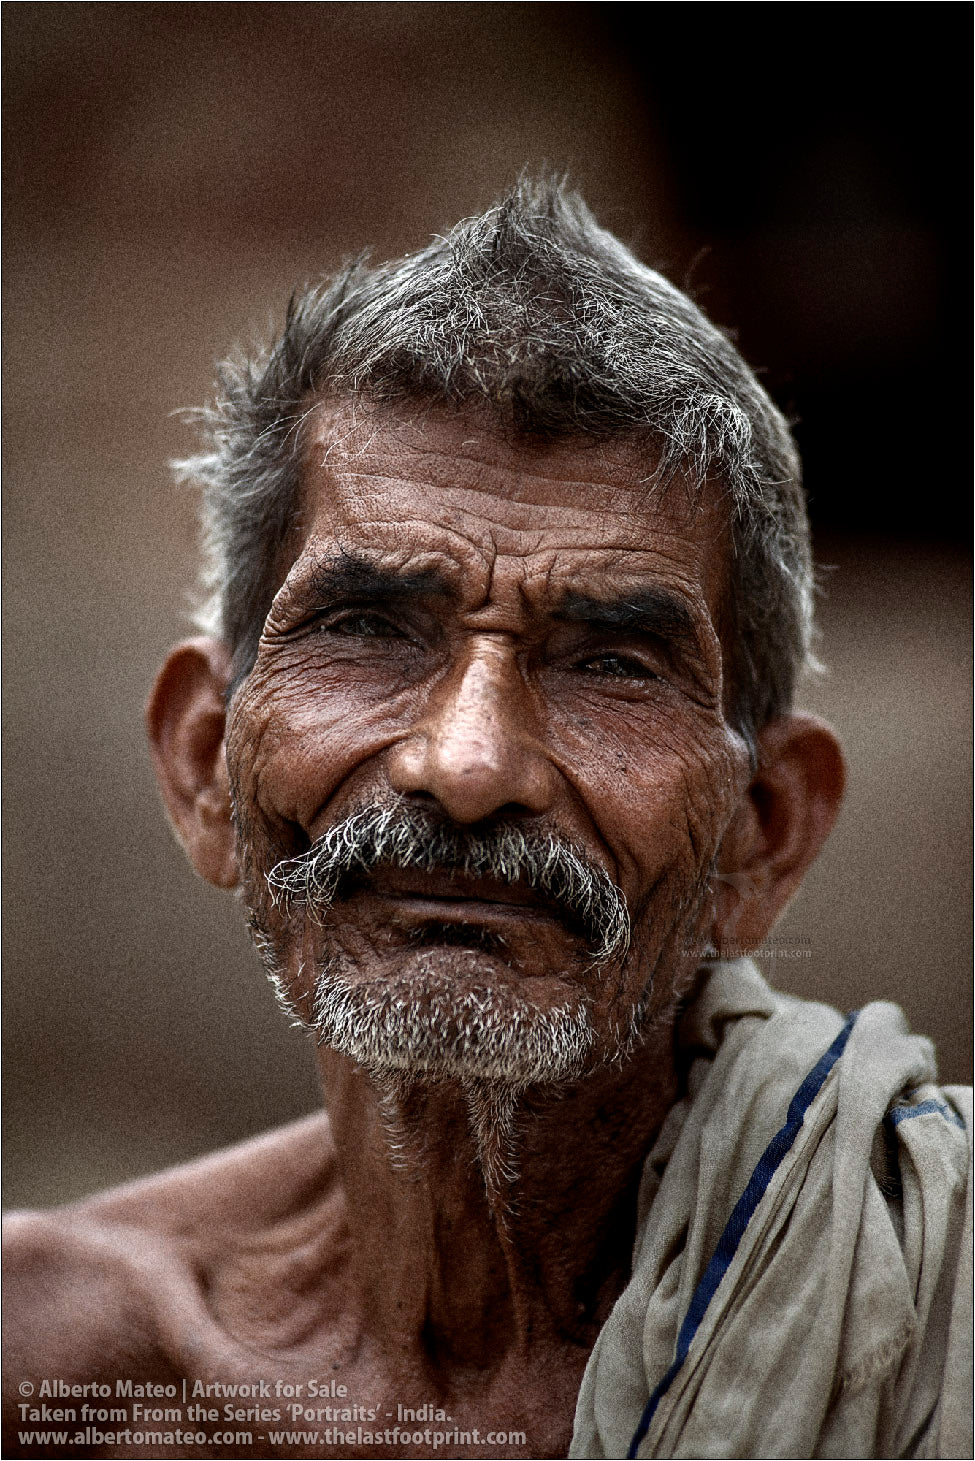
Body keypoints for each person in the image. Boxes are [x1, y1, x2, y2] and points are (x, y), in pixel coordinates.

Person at [3, 178, 970, 1461]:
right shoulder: (53, 1368)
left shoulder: (935, 1301)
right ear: (201, 768)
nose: (469, 767)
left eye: (611, 664)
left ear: (764, 831)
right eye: (365, 631)